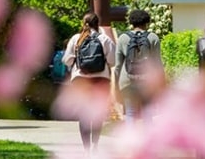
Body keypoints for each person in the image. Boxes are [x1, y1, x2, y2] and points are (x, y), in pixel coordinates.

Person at [62, 12, 115, 151]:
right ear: (97, 24)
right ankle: (94, 146)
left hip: (80, 81)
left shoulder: (76, 39)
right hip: (101, 80)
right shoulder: (104, 39)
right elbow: (113, 61)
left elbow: (67, 60)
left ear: (83, 23)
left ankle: (86, 149)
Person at [114, 8, 164, 122]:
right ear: (146, 22)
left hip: (127, 81)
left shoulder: (123, 38)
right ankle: (149, 139)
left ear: (131, 22)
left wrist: (116, 83)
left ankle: (130, 138)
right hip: (147, 82)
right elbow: (157, 63)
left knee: (130, 113)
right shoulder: (153, 37)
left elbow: (118, 65)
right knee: (147, 113)